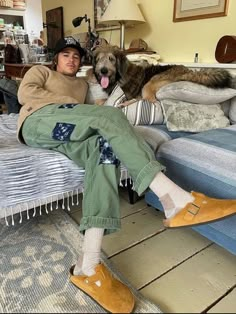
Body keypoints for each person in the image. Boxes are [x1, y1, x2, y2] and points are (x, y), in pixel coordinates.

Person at [17, 36, 236, 313]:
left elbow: (96, 112)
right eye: (65, 55)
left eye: (76, 56)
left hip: (66, 130)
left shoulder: (84, 84)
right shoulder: (42, 73)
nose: (71, 59)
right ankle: (175, 200)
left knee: (105, 149)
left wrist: (105, 110)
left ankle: (89, 266)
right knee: (110, 118)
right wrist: (90, 111)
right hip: (40, 120)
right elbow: (26, 94)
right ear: (56, 59)